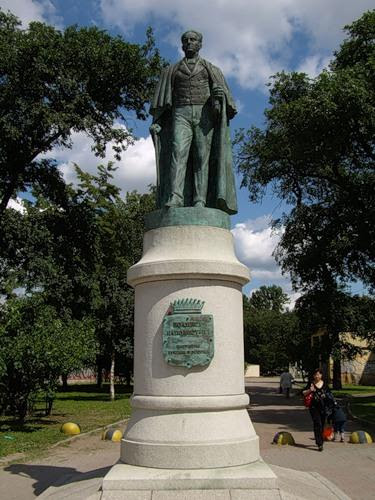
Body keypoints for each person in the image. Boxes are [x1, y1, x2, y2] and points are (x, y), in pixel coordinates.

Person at [150, 30, 237, 214]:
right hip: (179, 114)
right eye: (186, 40)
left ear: (200, 44)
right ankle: (175, 196)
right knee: (177, 152)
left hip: (203, 115)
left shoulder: (211, 69)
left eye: (193, 40)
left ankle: (200, 200)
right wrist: (158, 120)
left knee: (201, 157)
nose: (189, 42)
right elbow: (163, 100)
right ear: (182, 45)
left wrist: (218, 99)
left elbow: (225, 101)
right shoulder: (171, 70)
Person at [303, 368, 334, 451]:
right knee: (317, 424)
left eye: (319, 374)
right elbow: (303, 393)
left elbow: (330, 395)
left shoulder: (325, 384)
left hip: (324, 407)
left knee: (322, 424)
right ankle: (319, 443)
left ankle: (321, 440)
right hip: (313, 407)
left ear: (321, 375)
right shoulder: (311, 383)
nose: (317, 376)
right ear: (313, 376)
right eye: (316, 374)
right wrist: (310, 390)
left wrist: (326, 397)